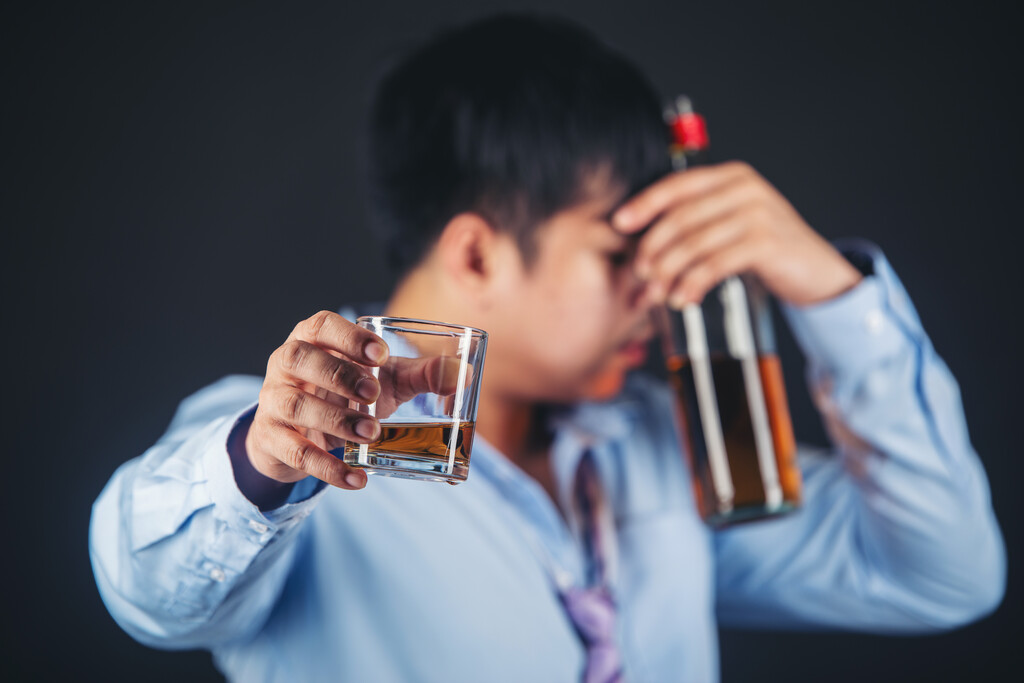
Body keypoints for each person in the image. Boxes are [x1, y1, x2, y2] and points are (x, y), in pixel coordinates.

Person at [89, 13, 1005, 683]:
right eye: (621, 253)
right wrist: (262, 457)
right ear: (478, 251)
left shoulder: (658, 449)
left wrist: (833, 294)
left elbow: (942, 573)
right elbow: (145, 585)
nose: (663, 287)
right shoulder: (292, 455)